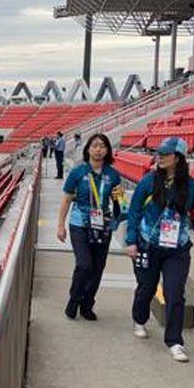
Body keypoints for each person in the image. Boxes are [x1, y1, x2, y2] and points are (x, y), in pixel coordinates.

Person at [125, 137, 194, 361]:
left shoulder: (192, 187)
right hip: (148, 244)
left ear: (179, 158)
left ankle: (174, 341)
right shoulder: (149, 181)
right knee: (146, 288)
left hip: (177, 248)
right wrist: (131, 240)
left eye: (165, 154)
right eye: (159, 154)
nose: (160, 157)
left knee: (175, 293)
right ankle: (140, 318)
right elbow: (135, 210)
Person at [57, 133, 124, 320]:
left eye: (102, 146)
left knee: (97, 268)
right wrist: (60, 225)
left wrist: (118, 209)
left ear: (108, 150)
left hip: (103, 226)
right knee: (84, 265)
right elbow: (66, 200)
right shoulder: (78, 173)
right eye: (94, 145)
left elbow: (118, 203)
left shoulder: (113, 175)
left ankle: (87, 304)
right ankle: (74, 299)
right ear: (87, 149)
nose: (98, 149)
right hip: (80, 223)